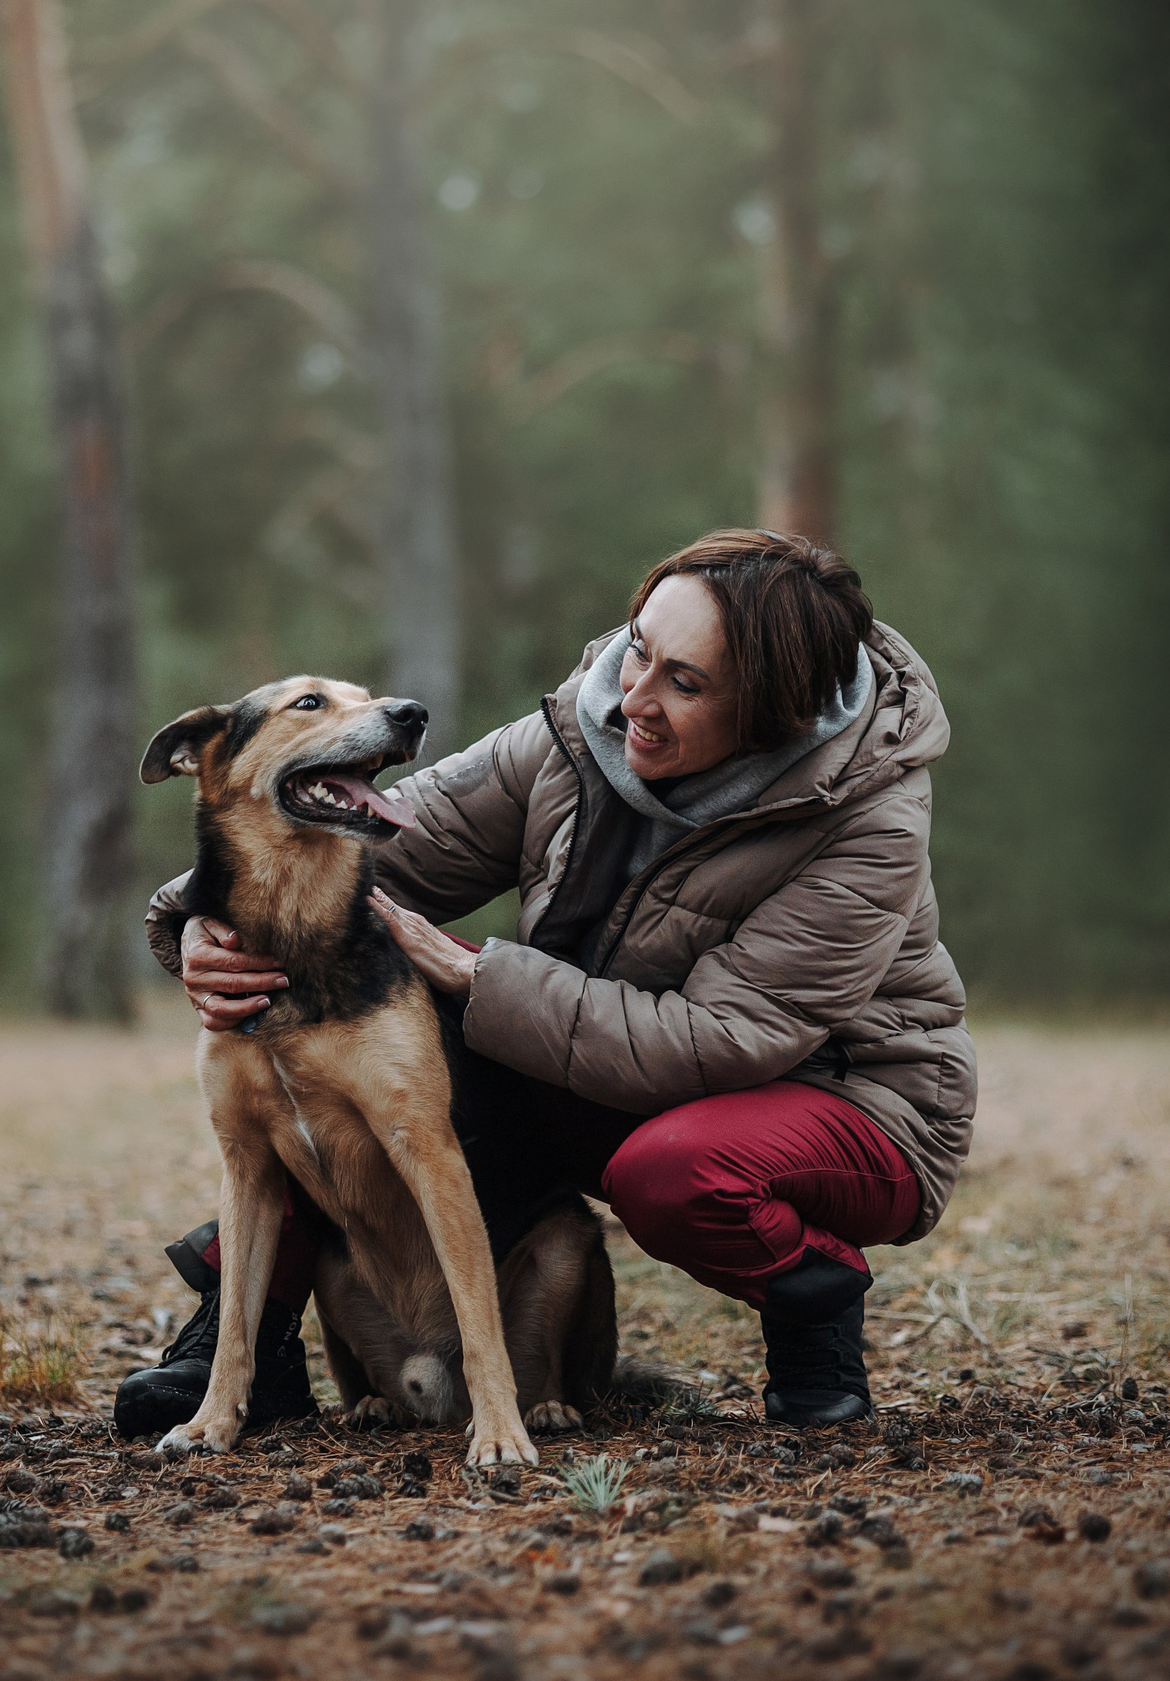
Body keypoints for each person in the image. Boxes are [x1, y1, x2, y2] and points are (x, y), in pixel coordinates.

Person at [117, 529, 975, 1436]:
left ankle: (817, 1310)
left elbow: (721, 1040)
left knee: (676, 1171)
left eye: (685, 683)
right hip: (594, 1060)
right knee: (336, 1052)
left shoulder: (866, 818)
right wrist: (204, 921)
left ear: (774, 713)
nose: (632, 698)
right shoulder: (577, 730)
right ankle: (250, 1346)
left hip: (841, 1101)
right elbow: (400, 841)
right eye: (638, 647)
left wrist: (478, 975)